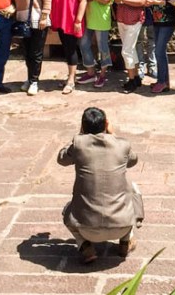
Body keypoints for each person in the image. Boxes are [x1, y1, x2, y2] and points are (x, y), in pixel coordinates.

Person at [58, 107, 142, 264]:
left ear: (82, 126)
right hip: (122, 224)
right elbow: (132, 160)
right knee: (133, 190)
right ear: (107, 124)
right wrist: (114, 135)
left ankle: (85, 246)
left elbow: (61, 159)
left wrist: (78, 136)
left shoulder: (78, 144)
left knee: (67, 211)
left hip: (86, 228)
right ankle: (125, 240)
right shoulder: (122, 145)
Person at [12, 0, 52, 96]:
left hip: (38, 20)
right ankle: (29, 79)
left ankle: (34, 81)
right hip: (22, 21)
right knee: (27, 52)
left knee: (36, 52)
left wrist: (44, 16)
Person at [77, 0, 117, 89]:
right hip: (88, 16)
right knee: (83, 44)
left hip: (101, 18)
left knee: (102, 48)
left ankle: (103, 75)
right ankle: (91, 71)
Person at [49, 0, 88, 95]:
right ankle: (69, 76)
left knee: (71, 48)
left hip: (71, 19)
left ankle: (71, 80)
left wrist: (78, 20)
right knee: (65, 47)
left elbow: (83, 1)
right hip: (59, 18)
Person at [115, 0, 152, 93]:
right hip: (122, 17)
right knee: (130, 49)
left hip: (134, 18)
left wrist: (123, 0)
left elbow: (142, 2)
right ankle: (136, 77)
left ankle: (131, 81)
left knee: (126, 51)